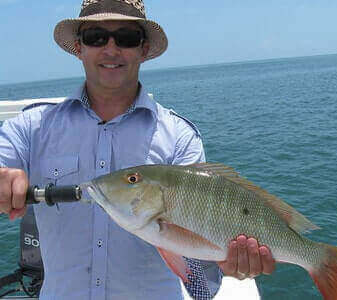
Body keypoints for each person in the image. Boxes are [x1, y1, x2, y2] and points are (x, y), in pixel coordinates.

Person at [0, 0, 275, 299]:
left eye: (127, 38)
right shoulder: (32, 126)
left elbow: (195, 265)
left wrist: (228, 260)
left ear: (143, 49)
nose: (111, 49)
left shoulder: (179, 137)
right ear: (79, 47)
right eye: (95, 37)